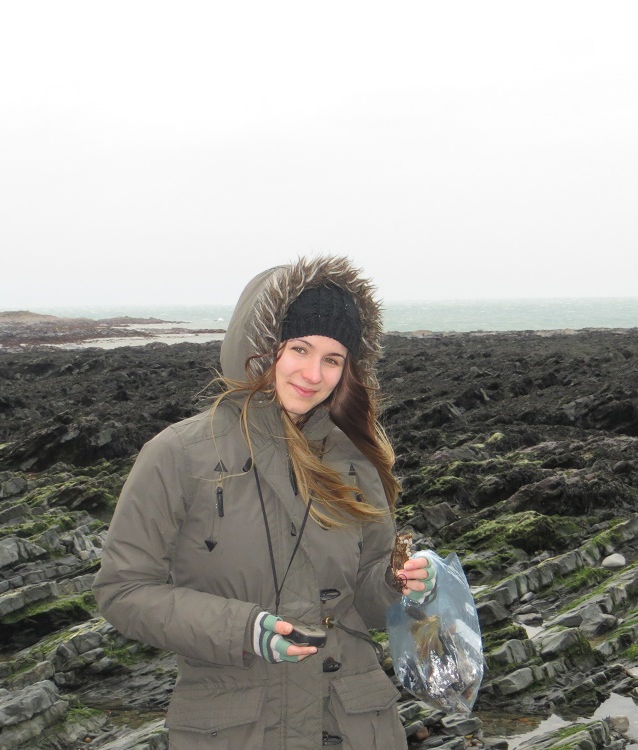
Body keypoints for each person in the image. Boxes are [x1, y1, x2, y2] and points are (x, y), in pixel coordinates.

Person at [93, 255, 434, 749]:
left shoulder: (354, 459)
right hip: (236, 729)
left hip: (357, 726)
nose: (313, 374)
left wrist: (397, 583)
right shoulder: (178, 454)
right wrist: (243, 629)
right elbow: (122, 591)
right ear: (260, 347)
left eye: (332, 359)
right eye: (299, 348)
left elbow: (367, 599)